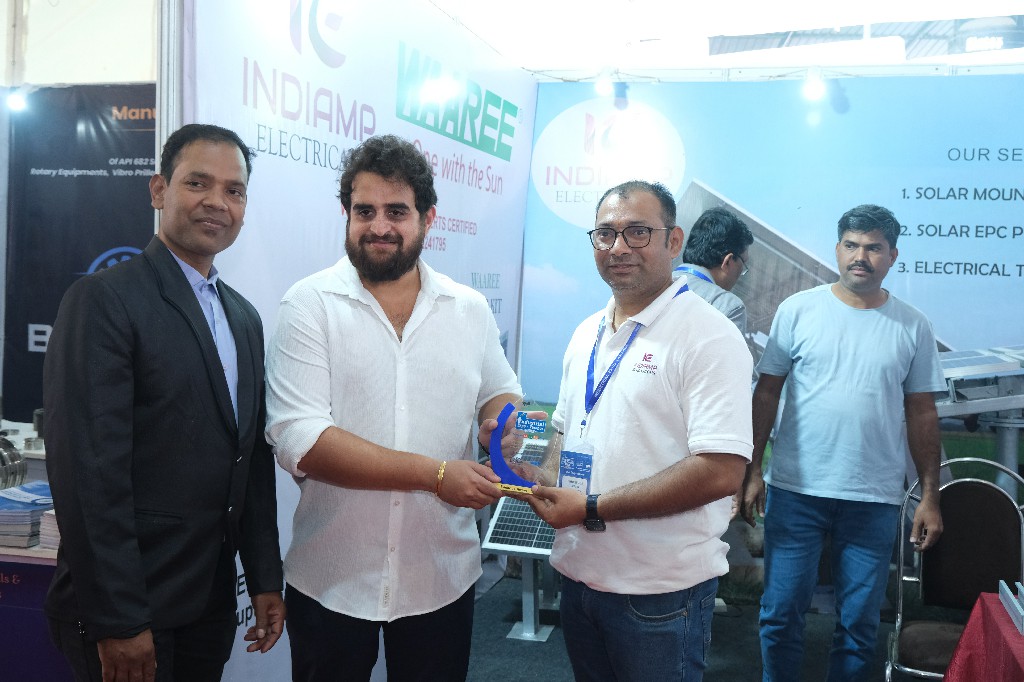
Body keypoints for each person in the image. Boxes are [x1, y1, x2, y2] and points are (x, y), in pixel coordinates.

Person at [265, 134, 531, 681]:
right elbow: (302, 441)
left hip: (441, 575)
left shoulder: (469, 308)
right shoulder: (309, 305)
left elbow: (502, 392)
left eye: (397, 211)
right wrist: (436, 475)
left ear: (428, 218)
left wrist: (502, 428)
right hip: (332, 578)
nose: (379, 226)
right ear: (345, 214)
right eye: (364, 211)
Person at [43, 123, 285, 682]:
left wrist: (264, 577)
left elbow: (249, 460)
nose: (218, 202)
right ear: (158, 190)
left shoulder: (243, 317)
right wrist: (119, 619)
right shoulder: (104, 300)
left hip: (207, 605)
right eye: (198, 183)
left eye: (234, 190)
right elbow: (88, 475)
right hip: (130, 611)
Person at [515, 180, 753, 681]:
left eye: (638, 232)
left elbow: (720, 472)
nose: (619, 247)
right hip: (579, 575)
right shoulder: (586, 332)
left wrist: (593, 507)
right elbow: (566, 430)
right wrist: (541, 476)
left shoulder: (709, 336)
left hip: (660, 592)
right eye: (606, 233)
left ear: (673, 241)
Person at [738, 204, 945, 681]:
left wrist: (930, 496)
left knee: (858, 627)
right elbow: (766, 393)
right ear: (837, 249)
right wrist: (751, 471)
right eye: (851, 245)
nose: (860, 257)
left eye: (873, 248)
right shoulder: (798, 310)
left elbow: (922, 412)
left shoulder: (913, 325)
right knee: (780, 614)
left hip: (874, 498)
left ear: (892, 255)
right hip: (796, 491)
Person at [674, 206, 754, 333]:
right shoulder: (729, 308)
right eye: (743, 264)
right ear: (728, 261)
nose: (741, 274)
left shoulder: (655, 280)